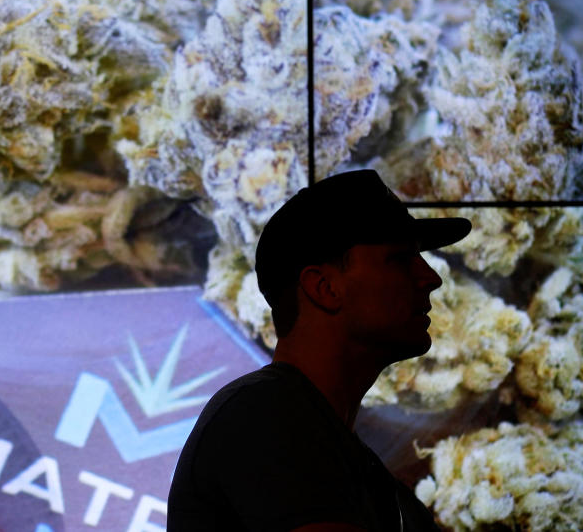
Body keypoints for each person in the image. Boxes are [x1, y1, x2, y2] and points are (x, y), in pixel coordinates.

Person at [167, 169, 471, 531]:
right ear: (324, 288)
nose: (430, 277)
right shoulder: (265, 415)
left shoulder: (340, 451)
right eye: (400, 259)